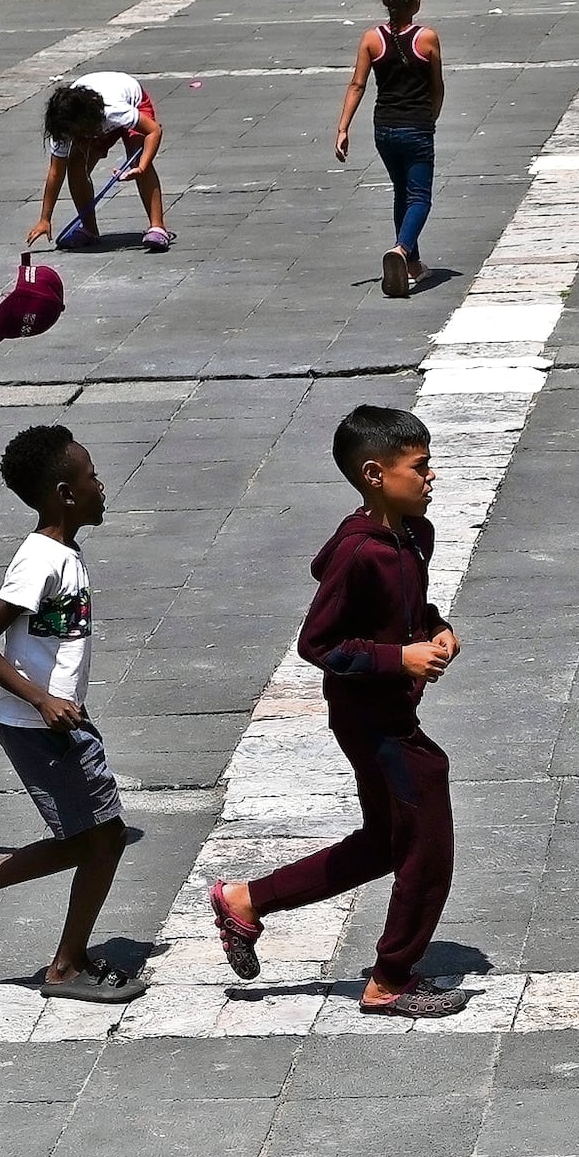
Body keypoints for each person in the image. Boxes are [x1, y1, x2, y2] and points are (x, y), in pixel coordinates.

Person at [206, 403, 468, 1019]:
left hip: (393, 709)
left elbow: (413, 610)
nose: (432, 479)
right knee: (426, 844)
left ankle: (246, 901)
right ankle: (390, 980)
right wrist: (396, 660)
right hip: (369, 718)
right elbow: (318, 644)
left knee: (385, 842)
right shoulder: (358, 553)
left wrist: (438, 629)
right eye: (421, 468)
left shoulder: (414, 534)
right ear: (375, 474)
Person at [0, 422, 134, 999]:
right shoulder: (40, 560)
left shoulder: (64, 553)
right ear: (64, 492)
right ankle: (65, 967)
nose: (101, 485)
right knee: (102, 841)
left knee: (89, 839)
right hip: (42, 724)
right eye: (91, 477)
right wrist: (42, 698)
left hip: (54, 720)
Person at [330, 0, 447, 297]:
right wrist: (431, 117)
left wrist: (342, 128)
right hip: (417, 127)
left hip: (384, 130)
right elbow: (437, 86)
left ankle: (412, 264)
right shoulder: (426, 38)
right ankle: (400, 250)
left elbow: (357, 85)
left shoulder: (371, 39)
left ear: (385, 0)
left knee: (401, 191)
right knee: (420, 197)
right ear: (417, 2)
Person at [27, 73, 174, 254]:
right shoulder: (62, 125)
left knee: (137, 158)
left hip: (133, 102)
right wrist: (45, 219)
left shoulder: (113, 110)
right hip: (92, 121)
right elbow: (56, 172)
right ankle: (89, 229)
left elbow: (154, 131)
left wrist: (142, 167)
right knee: (75, 165)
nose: (72, 139)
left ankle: (157, 227)